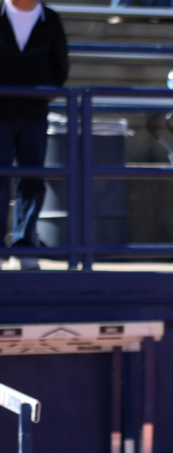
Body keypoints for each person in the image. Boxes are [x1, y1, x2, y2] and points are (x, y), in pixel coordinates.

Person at [0, 0, 68, 271]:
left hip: (35, 114)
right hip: (0, 114)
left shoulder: (50, 20)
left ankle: (25, 245)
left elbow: (59, 67)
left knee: (32, 180)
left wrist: (39, 95)